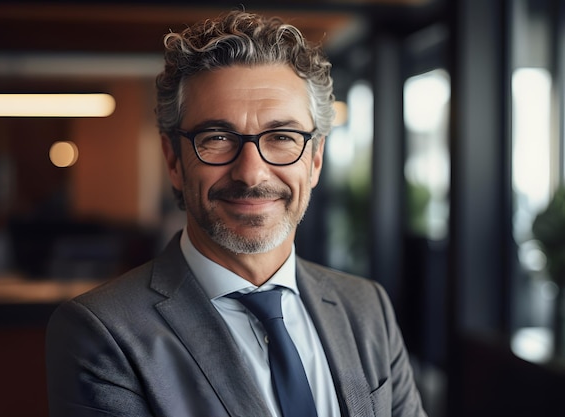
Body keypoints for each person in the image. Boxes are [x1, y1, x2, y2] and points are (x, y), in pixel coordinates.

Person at [45, 9, 427, 417]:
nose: (250, 172)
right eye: (217, 137)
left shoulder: (367, 307)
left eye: (282, 137)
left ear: (315, 159)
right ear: (173, 159)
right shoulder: (102, 332)